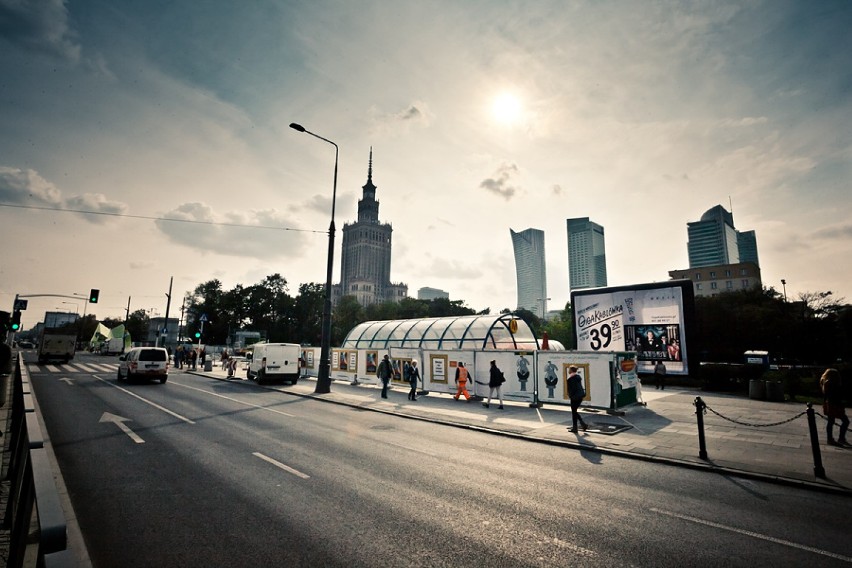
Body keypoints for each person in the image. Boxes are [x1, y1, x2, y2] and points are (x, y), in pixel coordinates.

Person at [820, 368, 849, 447]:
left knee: (831, 421)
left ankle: (832, 438)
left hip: (831, 404)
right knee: (844, 421)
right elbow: (834, 395)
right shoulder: (832, 383)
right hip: (834, 404)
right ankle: (839, 438)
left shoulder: (828, 383)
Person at [567, 365, 588, 433]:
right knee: (574, 411)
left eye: (569, 369)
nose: (568, 370)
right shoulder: (578, 377)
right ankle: (582, 424)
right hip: (580, 396)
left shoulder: (571, 379)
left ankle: (576, 428)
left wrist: (571, 396)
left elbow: (572, 389)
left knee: (574, 412)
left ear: (571, 370)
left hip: (574, 397)